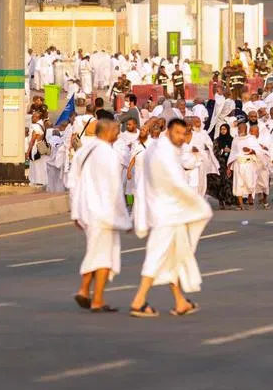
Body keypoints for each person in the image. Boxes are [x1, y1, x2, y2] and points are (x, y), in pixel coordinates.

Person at [128, 117, 213, 318]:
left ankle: (180, 301)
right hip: (165, 214)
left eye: (183, 134)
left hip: (172, 214)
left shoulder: (165, 151)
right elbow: (175, 184)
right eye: (177, 133)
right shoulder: (161, 153)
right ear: (168, 132)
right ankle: (138, 300)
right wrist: (197, 205)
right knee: (156, 256)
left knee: (175, 258)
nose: (181, 137)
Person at [68, 114, 130, 313]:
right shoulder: (108, 154)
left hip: (86, 210)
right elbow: (114, 189)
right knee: (104, 256)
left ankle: (86, 291)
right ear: (108, 132)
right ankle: (95, 298)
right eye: (116, 131)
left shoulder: (83, 151)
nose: (118, 134)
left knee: (97, 251)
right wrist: (124, 219)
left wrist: (76, 212)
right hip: (104, 211)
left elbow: (72, 183)